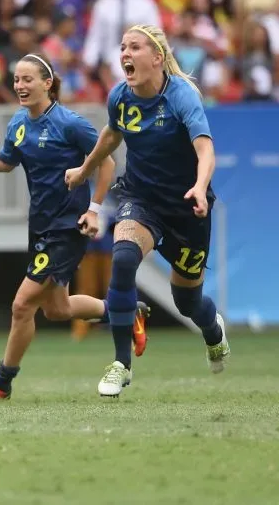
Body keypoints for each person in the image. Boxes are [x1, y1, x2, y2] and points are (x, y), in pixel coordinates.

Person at [0, 53, 147, 404]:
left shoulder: (71, 124)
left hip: (68, 226)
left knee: (22, 306)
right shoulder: (19, 123)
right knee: (57, 310)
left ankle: (2, 382)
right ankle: (126, 311)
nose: (19, 86)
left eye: (27, 79)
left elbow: (106, 163)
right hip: (40, 226)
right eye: (16, 80)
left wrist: (94, 210)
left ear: (47, 83)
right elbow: (5, 162)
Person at [66, 25, 229, 398]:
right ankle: (121, 364)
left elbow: (204, 148)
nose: (125, 53)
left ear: (157, 57)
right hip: (141, 199)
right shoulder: (120, 97)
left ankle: (212, 330)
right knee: (122, 260)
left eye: (135, 47)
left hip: (187, 207)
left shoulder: (181, 96)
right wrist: (84, 169)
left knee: (187, 302)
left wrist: (201, 188)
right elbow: (111, 135)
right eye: (122, 47)